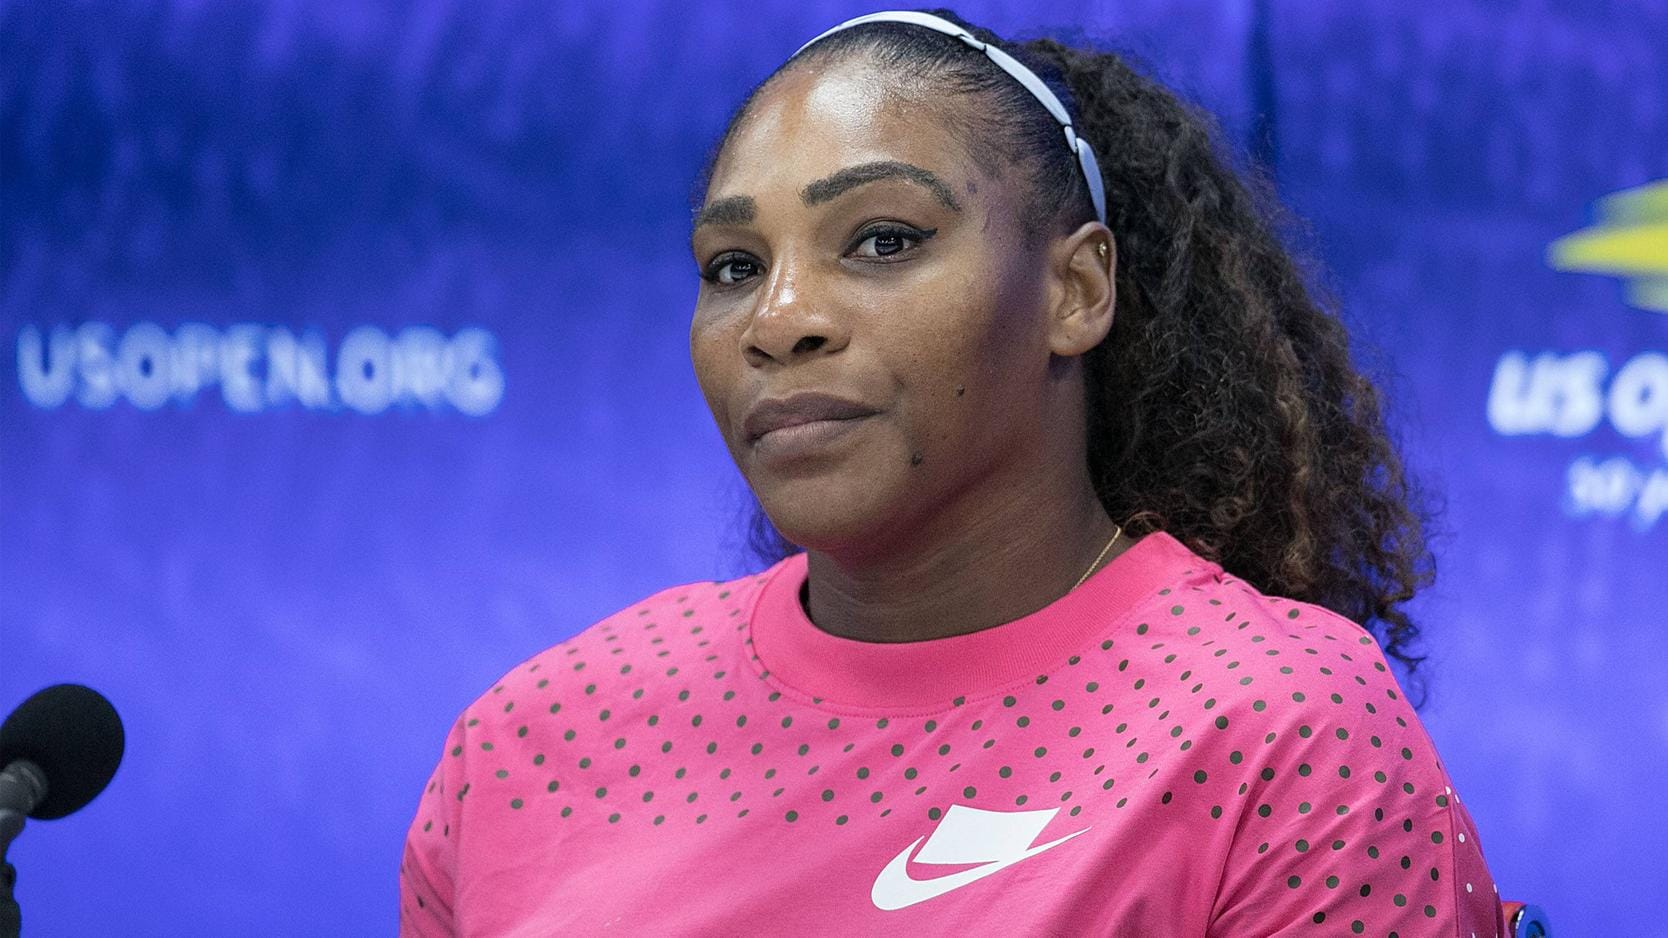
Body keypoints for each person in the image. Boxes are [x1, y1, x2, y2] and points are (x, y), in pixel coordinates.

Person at [400, 9, 1506, 935]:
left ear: (1075, 291)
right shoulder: (530, 740)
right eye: (733, 266)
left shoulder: (1279, 731)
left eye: (883, 238)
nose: (779, 320)